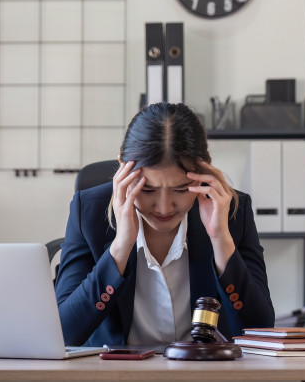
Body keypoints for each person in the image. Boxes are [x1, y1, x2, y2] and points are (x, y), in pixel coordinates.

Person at [54, 102, 274, 347]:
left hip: (203, 372)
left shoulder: (232, 211)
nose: (164, 208)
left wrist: (220, 239)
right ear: (122, 171)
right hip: (118, 373)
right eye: (147, 189)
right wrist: (121, 246)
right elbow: (63, 333)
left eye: (180, 189)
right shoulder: (89, 211)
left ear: (205, 169)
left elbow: (260, 330)